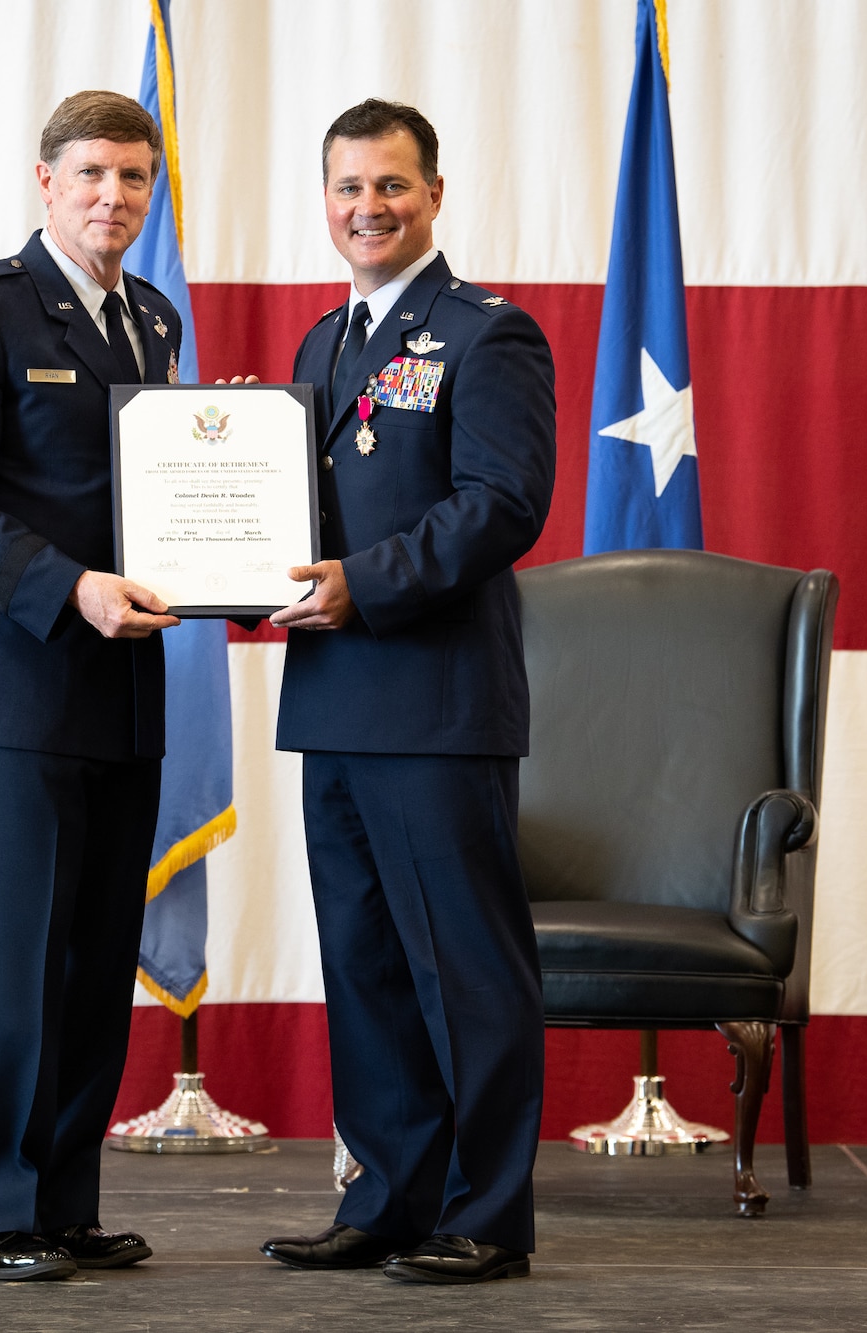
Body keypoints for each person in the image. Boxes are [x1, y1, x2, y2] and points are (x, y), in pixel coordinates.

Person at [256, 99, 557, 1285]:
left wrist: (358, 585)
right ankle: (386, 1196)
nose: (365, 209)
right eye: (345, 189)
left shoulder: (487, 335)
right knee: (366, 965)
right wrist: (229, 576)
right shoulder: (319, 348)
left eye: (388, 187)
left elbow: (500, 505)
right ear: (323, 200)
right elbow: (292, 524)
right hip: (332, 697)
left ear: (433, 194)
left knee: (465, 969)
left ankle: (484, 1212)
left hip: (435, 703)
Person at [0, 91, 186, 1283]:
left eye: (131, 176)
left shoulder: (152, 321)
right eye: (90, 175)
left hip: (122, 685)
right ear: (43, 181)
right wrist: (68, 588)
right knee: (15, 959)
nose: (112, 195)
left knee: (94, 955)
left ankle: (62, 1201)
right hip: (14, 681)